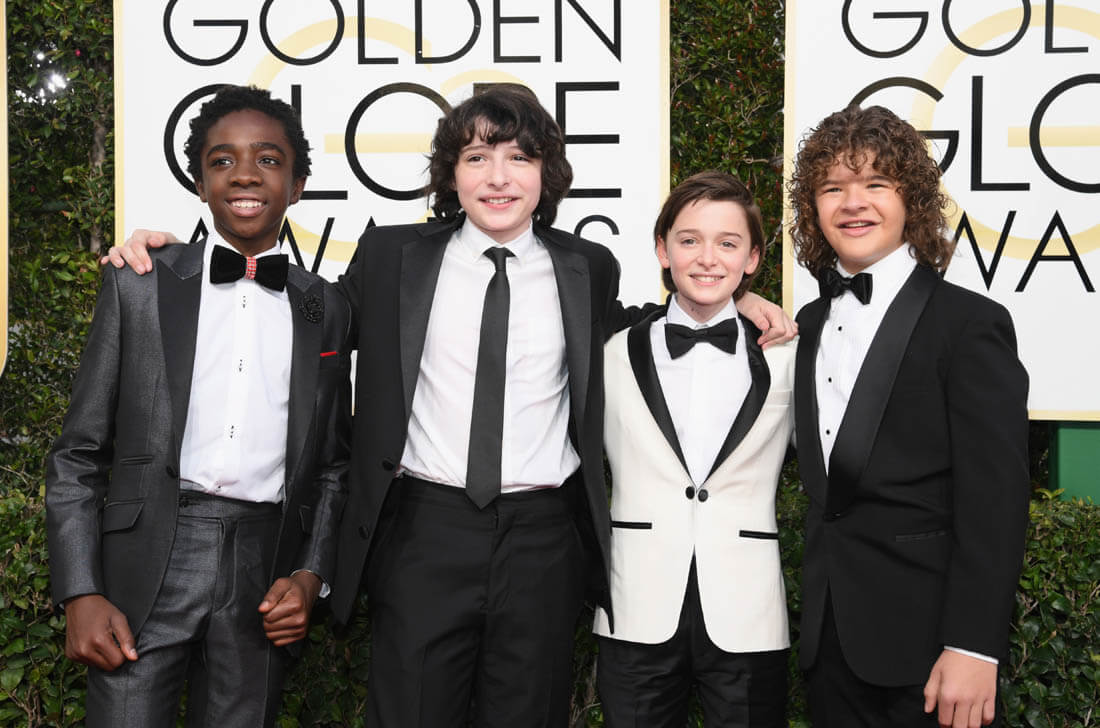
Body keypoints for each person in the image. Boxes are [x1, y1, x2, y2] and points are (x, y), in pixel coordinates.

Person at [105, 83, 795, 727]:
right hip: (423, 533)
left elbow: (641, 325)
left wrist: (739, 300)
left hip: (543, 542)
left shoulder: (587, 267)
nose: (499, 177)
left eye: (519, 158)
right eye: (477, 157)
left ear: (546, 174)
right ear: (452, 174)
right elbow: (299, 312)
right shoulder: (392, 255)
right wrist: (178, 260)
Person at [46, 85, 352, 727]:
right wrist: (80, 590)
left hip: (264, 569)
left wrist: (310, 573)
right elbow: (77, 453)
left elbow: (331, 465)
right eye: (222, 160)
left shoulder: (326, 306)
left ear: (298, 186)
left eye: (268, 159)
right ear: (199, 183)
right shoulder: (138, 282)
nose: (245, 174)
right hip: (143, 564)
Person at [787, 104, 1029, 728]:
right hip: (828, 646)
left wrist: (974, 645)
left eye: (876, 183)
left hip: (931, 650)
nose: (853, 203)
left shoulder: (969, 325)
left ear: (910, 199)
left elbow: (996, 501)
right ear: (813, 207)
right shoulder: (808, 324)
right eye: (832, 187)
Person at [594, 171, 795, 727]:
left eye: (727, 243)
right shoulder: (610, 351)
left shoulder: (790, 357)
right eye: (689, 240)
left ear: (752, 259)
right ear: (663, 250)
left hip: (750, 610)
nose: (707, 258)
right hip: (634, 607)